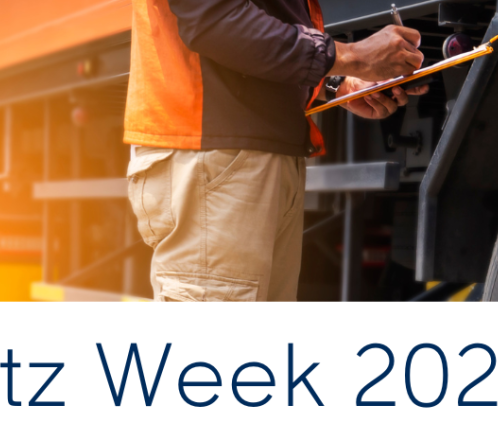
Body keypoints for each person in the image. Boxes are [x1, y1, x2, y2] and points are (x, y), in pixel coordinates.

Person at [124, 0, 427, 301]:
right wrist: (352, 56)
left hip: (238, 158)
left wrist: (336, 83)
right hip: (214, 152)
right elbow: (214, 20)